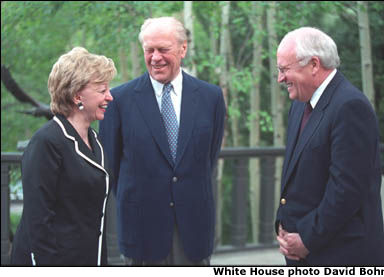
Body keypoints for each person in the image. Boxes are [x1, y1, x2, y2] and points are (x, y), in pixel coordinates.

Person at [99, 17, 225, 265]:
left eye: (163, 49)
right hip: (142, 233)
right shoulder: (119, 100)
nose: (155, 57)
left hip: (194, 231)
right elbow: (109, 165)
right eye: (149, 50)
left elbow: (208, 159)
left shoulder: (211, 97)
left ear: (183, 49)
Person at [274, 27, 384, 266]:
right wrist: (283, 225)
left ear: (314, 65)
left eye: (284, 70)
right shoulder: (299, 104)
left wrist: (306, 238)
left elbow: (346, 191)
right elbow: (297, 176)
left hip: (341, 255)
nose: (280, 79)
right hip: (302, 252)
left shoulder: (351, 107)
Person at [10, 47, 117, 265]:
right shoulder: (46, 142)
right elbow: (38, 222)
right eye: (102, 90)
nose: (110, 96)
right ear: (77, 95)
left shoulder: (95, 140)